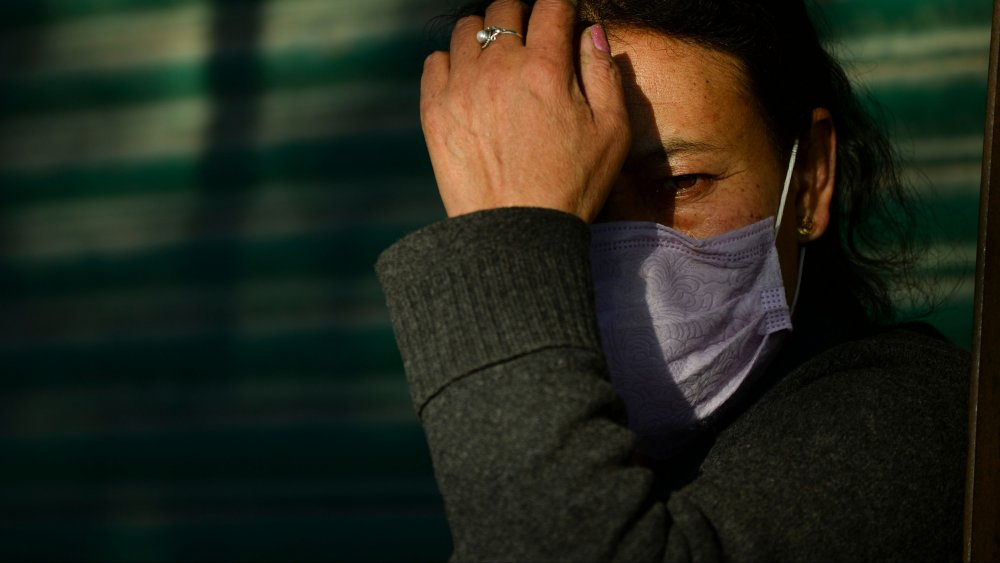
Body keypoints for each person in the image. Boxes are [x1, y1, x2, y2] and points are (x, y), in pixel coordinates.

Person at [376, 0, 970, 560]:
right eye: (571, 199)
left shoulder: (917, 420)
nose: (625, 250)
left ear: (810, 177)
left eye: (681, 183)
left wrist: (502, 246)